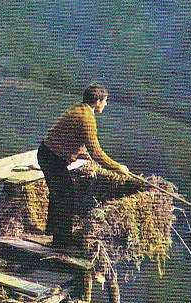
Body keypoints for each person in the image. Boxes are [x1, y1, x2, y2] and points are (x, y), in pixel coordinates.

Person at [37, 83, 129, 248]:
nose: (106, 104)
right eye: (105, 101)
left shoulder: (79, 109)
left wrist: (79, 152)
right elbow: (96, 152)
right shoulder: (87, 118)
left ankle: (53, 233)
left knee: (60, 194)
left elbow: (68, 136)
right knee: (66, 196)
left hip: (47, 153)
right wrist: (117, 167)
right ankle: (61, 241)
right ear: (98, 101)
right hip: (52, 157)